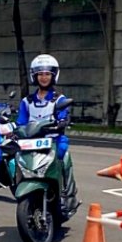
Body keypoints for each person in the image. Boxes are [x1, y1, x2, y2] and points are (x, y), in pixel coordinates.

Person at [15, 53, 80, 218]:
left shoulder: (59, 99)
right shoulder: (27, 101)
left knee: (62, 155)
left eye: (47, 74)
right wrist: (16, 131)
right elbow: (21, 122)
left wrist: (63, 121)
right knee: (15, 157)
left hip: (54, 140)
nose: (44, 77)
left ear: (53, 76)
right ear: (34, 76)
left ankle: (66, 193)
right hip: (32, 141)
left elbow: (63, 115)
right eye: (40, 74)